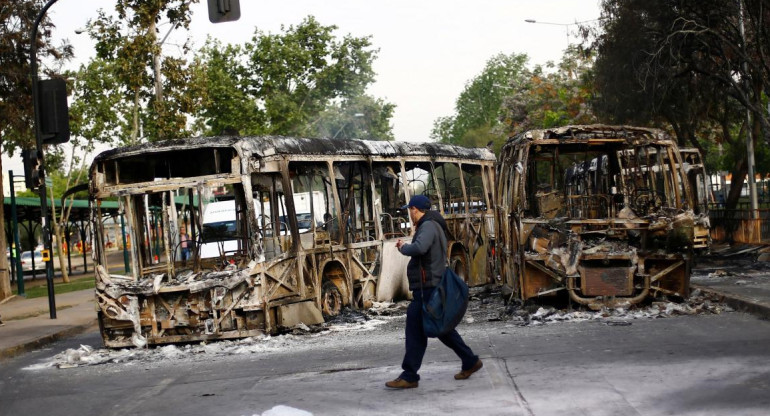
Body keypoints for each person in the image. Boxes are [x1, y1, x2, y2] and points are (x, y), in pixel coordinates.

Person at [386, 194, 482, 389]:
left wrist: (404, 247)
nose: (409, 215)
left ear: (415, 209)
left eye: (410, 210)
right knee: (436, 329)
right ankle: (469, 360)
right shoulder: (431, 224)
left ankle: (410, 375)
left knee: (427, 329)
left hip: (427, 286)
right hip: (427, 285)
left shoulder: (428, 226)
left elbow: (420, 248)